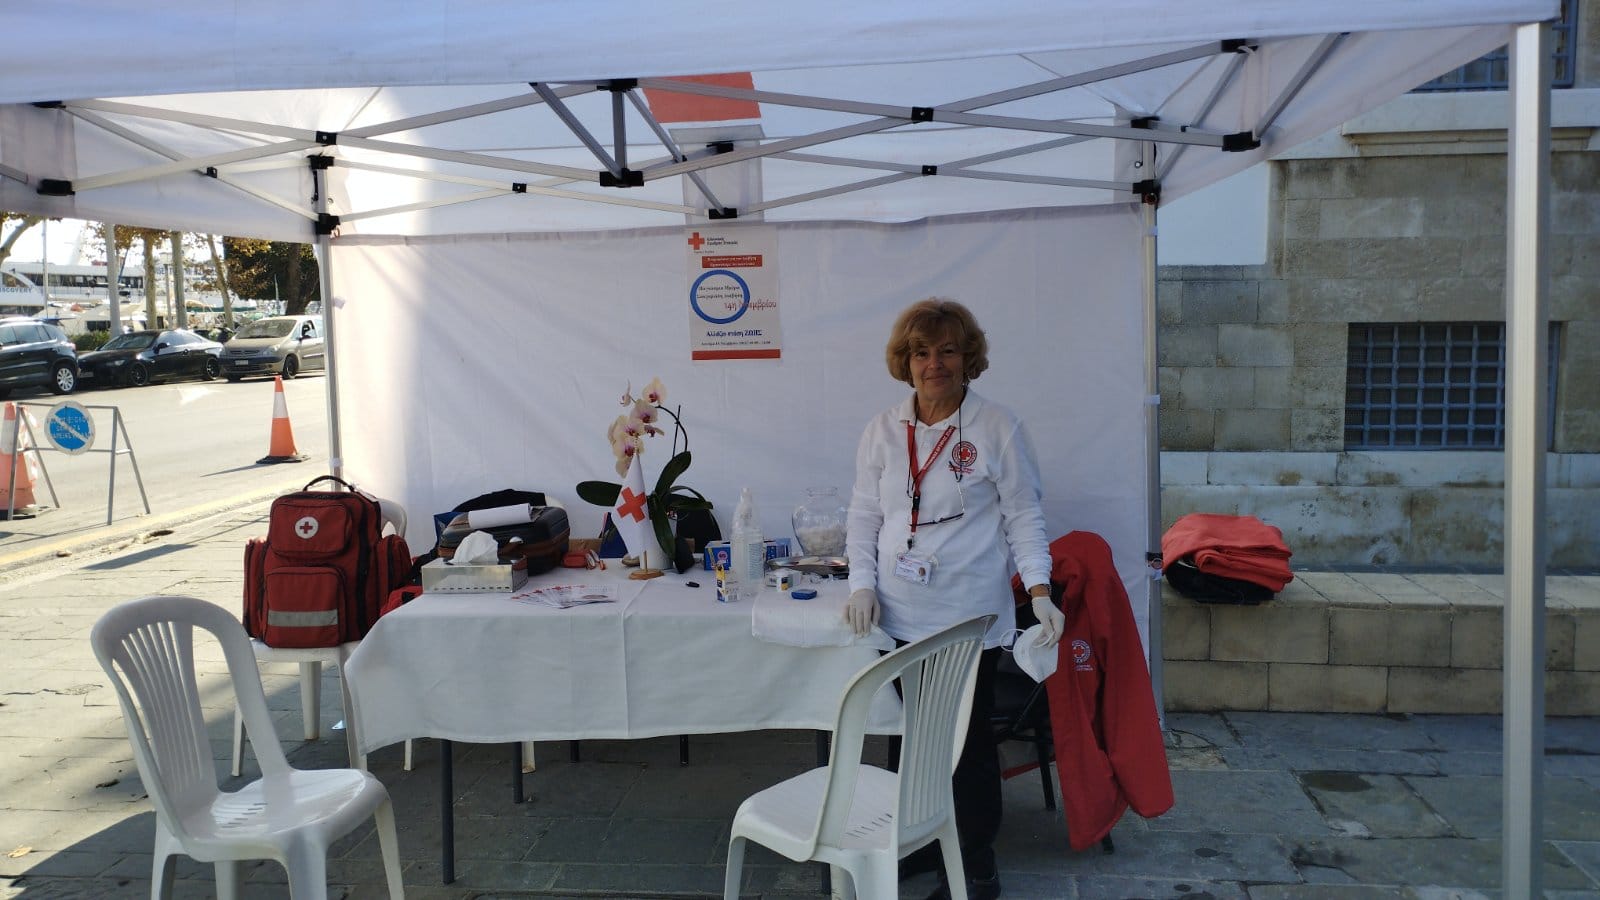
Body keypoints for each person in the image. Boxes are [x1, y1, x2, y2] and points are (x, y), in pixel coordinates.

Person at [844, 297, 1064, 900]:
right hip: (896, 615)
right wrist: (862, 582)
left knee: (965, 743)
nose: (933, 364)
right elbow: (864, 514)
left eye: (947, 351)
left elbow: (1023, 516)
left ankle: (974, 866)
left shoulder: (998, 427)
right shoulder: (883, 430)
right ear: (906, 361)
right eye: (921, 352)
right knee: (908, 736)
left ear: (968, 358)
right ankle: (916, 843)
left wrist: (1040, 591)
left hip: (969, 618)